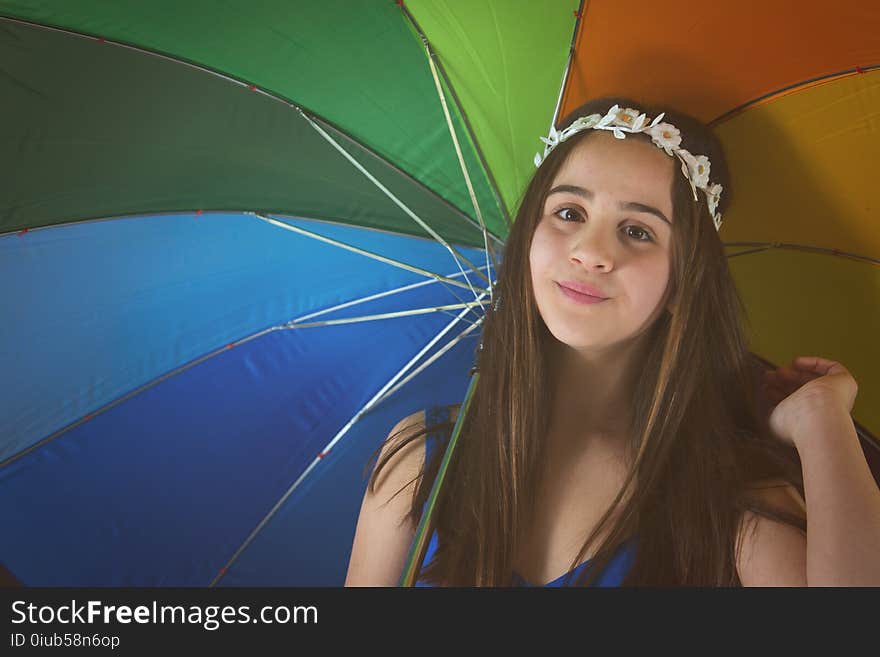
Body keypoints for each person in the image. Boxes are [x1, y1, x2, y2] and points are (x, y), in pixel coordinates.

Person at [344, 96, 880, 587]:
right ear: (530, 237)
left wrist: (821, 422)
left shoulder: (731, 503)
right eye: (569, 213)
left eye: (638, 231)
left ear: (682, 285)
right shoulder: (423, 460)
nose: (591, 251)